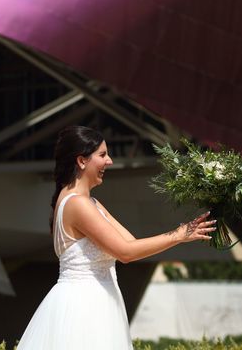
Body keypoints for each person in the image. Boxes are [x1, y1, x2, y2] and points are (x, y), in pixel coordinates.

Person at [16, 126, 216, 349]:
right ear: (81, 161)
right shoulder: (78, 204)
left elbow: (131, 244)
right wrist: (177, 236)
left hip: (96, 304)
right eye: (102, 155)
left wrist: (179, 234)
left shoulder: (89, 202)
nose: (109, 161)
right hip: (84, 309)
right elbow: (125, 253)